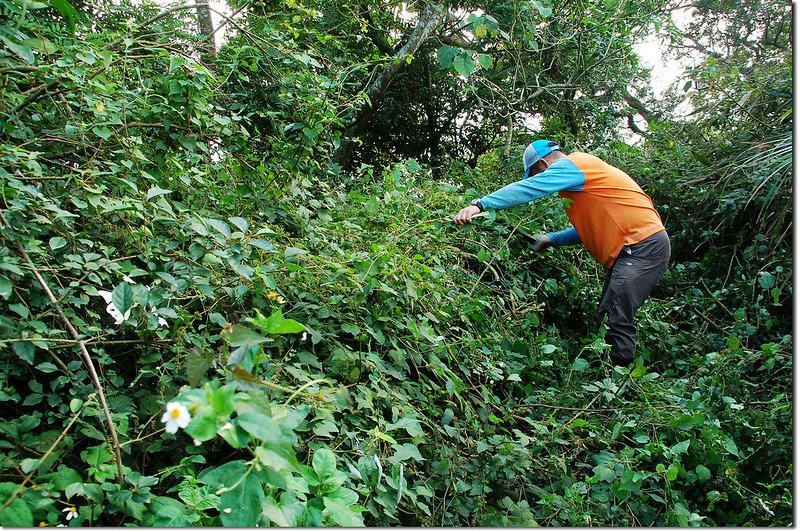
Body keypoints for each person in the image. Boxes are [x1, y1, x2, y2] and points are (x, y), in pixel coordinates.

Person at [453, 139, 670, 367]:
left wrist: (480, 205)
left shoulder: (574, 164)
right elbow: (587, 230)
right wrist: (552, 239)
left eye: (536, 173)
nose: (538, 178)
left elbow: (528, 189)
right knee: (607, 313)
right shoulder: (584, 178)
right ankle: (607, 375)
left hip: (642, 246)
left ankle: (619, 386)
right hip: (637, 247)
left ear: (544, 164)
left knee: (616, 315)